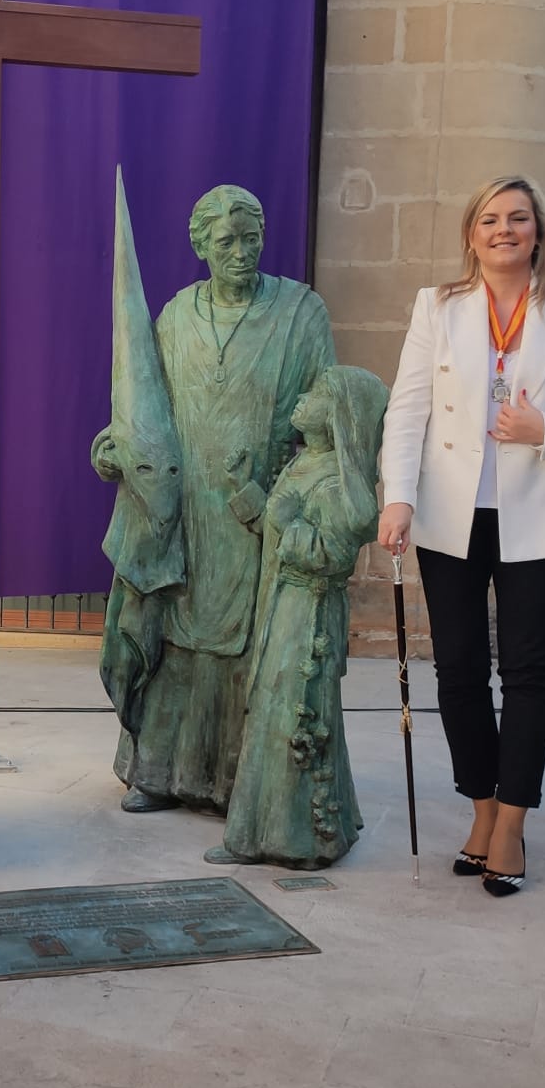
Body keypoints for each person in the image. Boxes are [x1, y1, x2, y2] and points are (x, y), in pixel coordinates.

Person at [377, 175, 545, 897]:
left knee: (528, 672)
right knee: (456, 671)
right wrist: (397, 497)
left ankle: (512, 823)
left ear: (537, 230)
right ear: (471, 235)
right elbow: (408, 409)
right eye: (489, 219)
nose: (504, 229)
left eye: (517, 218)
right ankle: (480, 809)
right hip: (450, 515)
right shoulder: (438, 307)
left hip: (540, 514)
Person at [93, 184, 335, 818]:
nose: (240, 252)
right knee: (177, 631)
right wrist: (112, 450)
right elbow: (145, 409)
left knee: (246, 640)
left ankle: (239, 781)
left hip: (258, 508)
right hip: (185, 511)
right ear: (200, 245)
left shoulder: (300, 313)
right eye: (225, 241)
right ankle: (158, 770)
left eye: (250, 238)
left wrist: (281, 490)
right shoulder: (175, 316)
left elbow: (327, 414)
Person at [214, 366, 390, 868]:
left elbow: (331, 553)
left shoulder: (341, 483)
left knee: (297, 713)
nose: (301, 397)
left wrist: (288, 520)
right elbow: (271, 526)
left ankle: (302, 839)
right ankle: (262, 831)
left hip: (309, 612)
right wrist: (242, 488)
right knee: (269, 709)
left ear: (337, 415)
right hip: (282, 605)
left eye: (315, 392)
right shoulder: (303, 465)